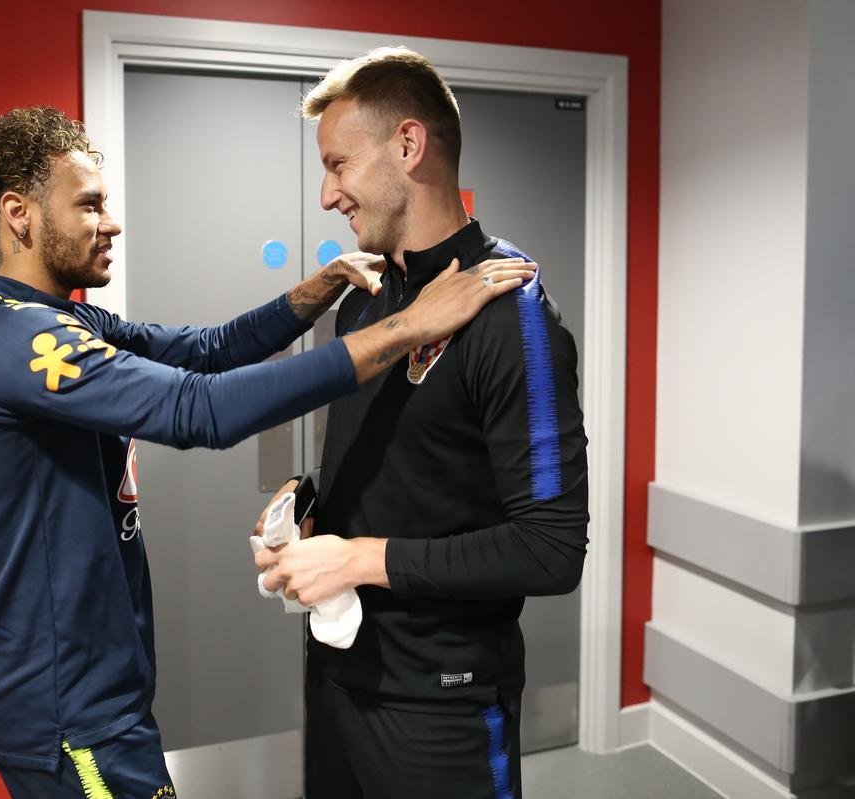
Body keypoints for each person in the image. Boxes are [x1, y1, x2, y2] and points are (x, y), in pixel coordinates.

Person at [0, 105, 534, 798]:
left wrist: (317, 290)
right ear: (20, 213)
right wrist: (407, 326)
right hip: (65, 707)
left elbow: (208, 352)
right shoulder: (13, 345)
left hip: (97, 687)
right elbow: (202, 408)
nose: (112, 222)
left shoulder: (64, 320)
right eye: (91, 205)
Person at [253, 48, 589, 799]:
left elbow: (552, 549)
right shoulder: (367, 303)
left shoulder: (513, 318)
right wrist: (306, 510)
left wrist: (359, 558)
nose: (327, 193)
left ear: (408, 146)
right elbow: (406, 463)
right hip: (339, 676)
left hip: (442, 707)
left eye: (340, 164)